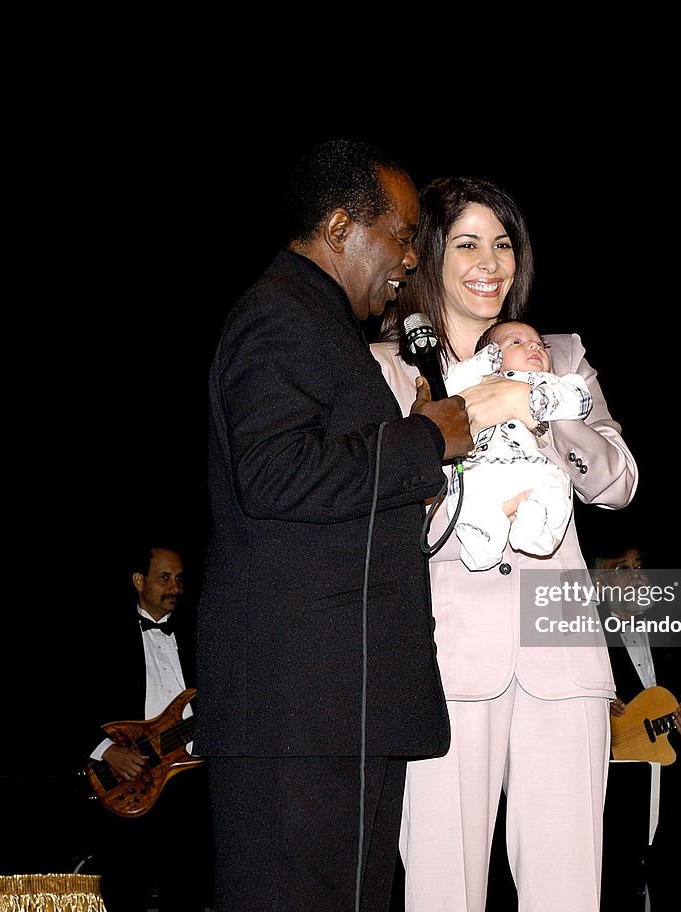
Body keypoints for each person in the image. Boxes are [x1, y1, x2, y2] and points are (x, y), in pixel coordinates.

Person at [194, 140, 472, 912]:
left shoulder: (319, 324)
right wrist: (424, 442)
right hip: (300, 708)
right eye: (402, 236)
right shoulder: (278, 313)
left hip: (339, 706)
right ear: (342, 226)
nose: (411, 260)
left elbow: (325, 491)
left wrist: (414, 467)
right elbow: (272, 473)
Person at [371, 176, 638, 911]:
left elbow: (617, 484)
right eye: (467, 243)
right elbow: (386, 514)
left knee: (569, 887)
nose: (490, 262)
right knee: (443, 887)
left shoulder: (559, 355)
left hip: (562, 648)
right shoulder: (389, 369)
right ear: (429, 254)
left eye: (503, 244)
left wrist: (542, 407)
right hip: (445, 657)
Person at [79, 543, 213, 912]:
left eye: (179, 579)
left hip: (189, 784)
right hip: (130, 781)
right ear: (139, 581)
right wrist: (107, 751)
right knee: (127, 893)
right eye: (164, 578)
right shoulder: (104, 637)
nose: (175, 587)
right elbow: (67, 704)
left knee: (188, 894)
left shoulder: (199, 634)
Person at [594, 545, 681, 912]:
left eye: (639, 566)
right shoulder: (585, 644)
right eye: (622, 569)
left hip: (676, 804)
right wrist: (593, 707)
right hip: (613, 808)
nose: (637, 576)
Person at [443, 319, 593, 571]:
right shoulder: (477, 381)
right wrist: (480, 363)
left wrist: (542, 399)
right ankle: (480, 544)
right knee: (473, 503)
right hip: (484, 468)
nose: (534, 347)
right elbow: (449, 388)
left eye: (540, 344)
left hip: (539, 468)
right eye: (516, 342)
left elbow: (580, 400)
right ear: (490, 353)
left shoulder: (552, 383)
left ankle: (536, 531)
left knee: (554, 493)